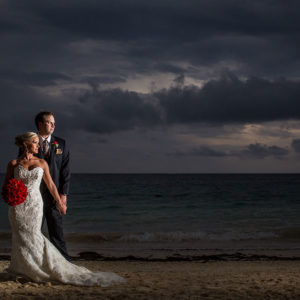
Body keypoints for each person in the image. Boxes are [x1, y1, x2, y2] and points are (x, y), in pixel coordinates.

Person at [3, 132, 125, 286]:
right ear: (26, 144)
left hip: (34, 205)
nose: (38, 145)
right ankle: (24, 268)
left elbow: (52, 185)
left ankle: (40, 267)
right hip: (17, 207)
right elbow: (6, 186)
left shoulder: (42, 163)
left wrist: (60, 203)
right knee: (20, 236)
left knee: (34, 234)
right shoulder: (13, 164)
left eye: (38, 142)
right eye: (35, 142)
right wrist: (12, 195)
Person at [35, 111, 70, 260]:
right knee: (34, 231)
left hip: (55, 196)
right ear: (40, 124)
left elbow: (65, 170)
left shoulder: (60, 143)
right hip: (35, 196)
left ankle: (64, 262)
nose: (53, 125)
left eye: (54, 122)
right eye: (50, 122)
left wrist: (63, 195)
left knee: (57, 232)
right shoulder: (30, 142)